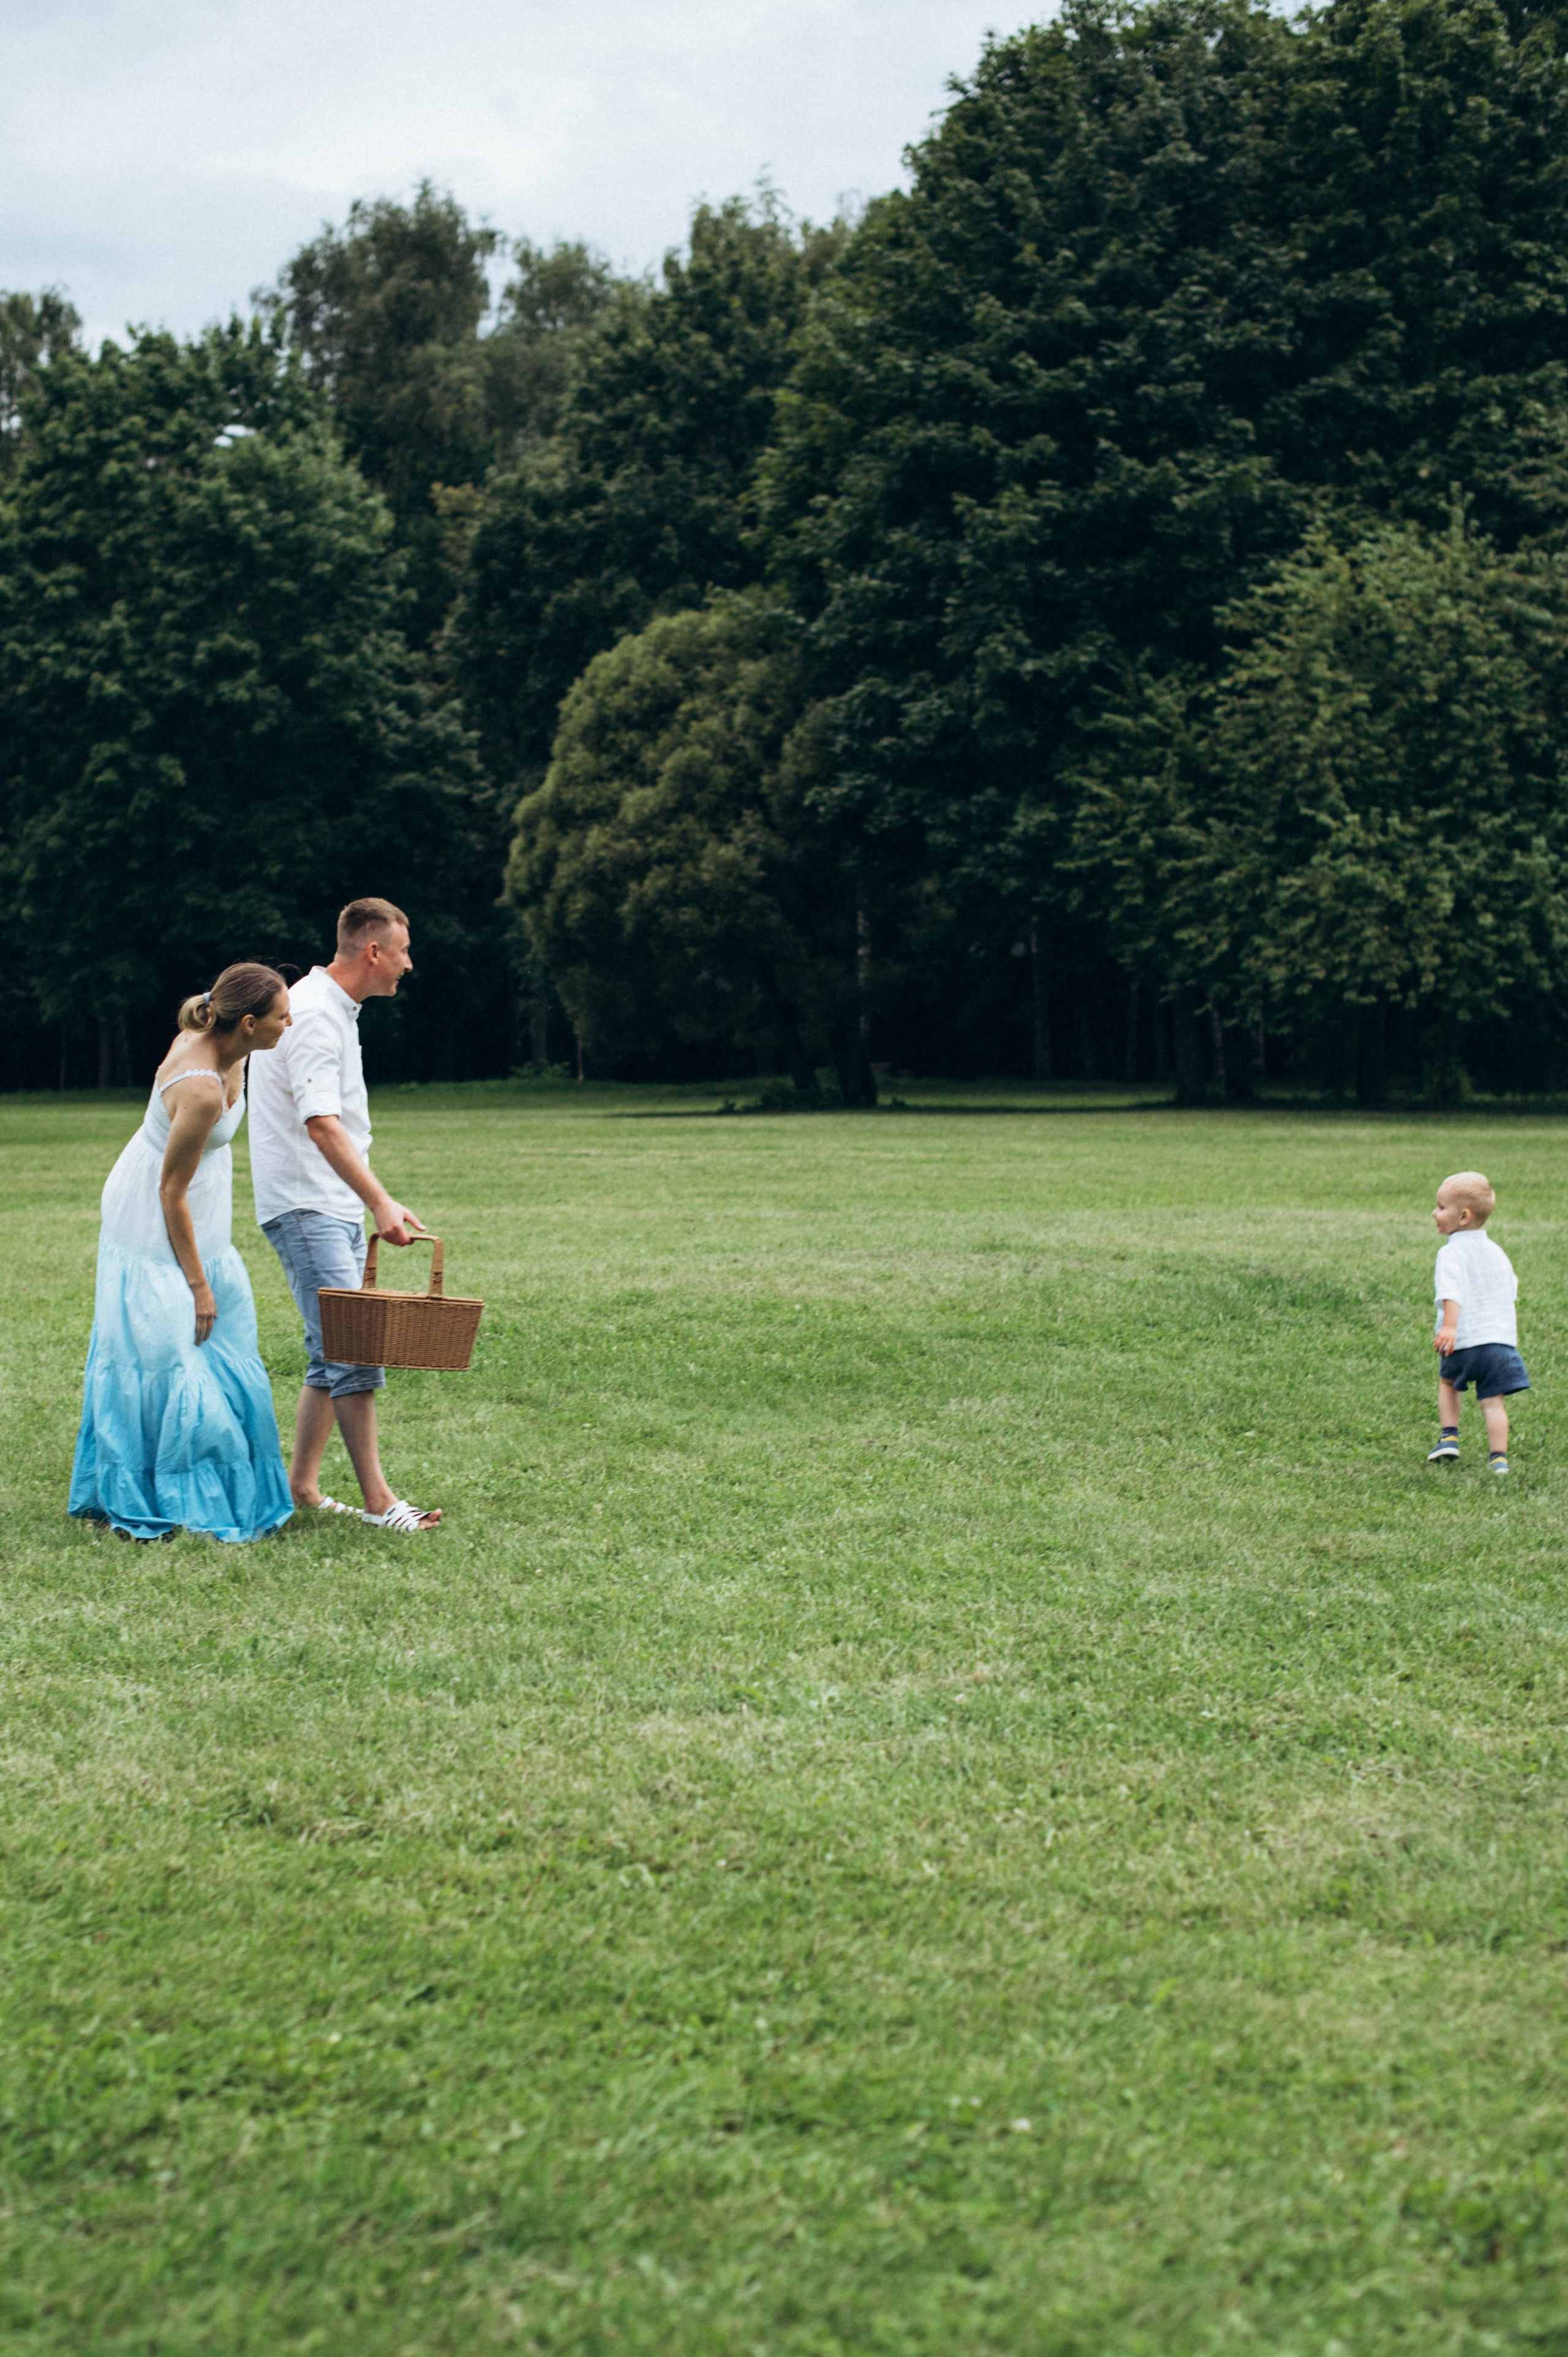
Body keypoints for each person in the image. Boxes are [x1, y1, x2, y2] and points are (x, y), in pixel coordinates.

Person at [69, 965, 296, 1544]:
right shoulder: (197, 1085)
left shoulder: (237, 1050)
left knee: (219, 1346)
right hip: (153, 1213)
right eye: (281, 1016)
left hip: (203, 1207)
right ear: (248, 1022)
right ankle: (166, 1490)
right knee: (171, 1348)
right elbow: (169, 1191)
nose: (288, 1024)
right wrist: (198, 1286)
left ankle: (220, 1474)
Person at [246, 897, 442, 1533]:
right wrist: (379, 1200)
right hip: (307, 1204)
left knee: (327, 1349)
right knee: (355, 1348)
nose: (409, 965)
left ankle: (302, 1486)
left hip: (324, 1203)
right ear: (373, 951)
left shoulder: (334, 1009)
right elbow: (321, 1124)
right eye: (404, 951)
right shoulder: (313, 1015)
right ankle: (381, 1502)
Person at [1427, 1169, 1528, 1476]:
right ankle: (1499, 1458)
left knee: (1448, 1384)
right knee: (1493, 1401)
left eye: (1442, 1207)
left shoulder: (1451, 1253)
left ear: (1464, 1216)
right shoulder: (1498, 1253)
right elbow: (1511, 1290)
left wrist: (1450, 1327)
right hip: (1500, 1344)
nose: (1435, 1213)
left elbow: (1451, 1293)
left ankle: (1449, 1435)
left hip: (1465, 1341)